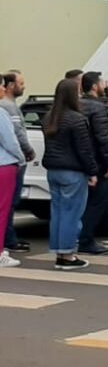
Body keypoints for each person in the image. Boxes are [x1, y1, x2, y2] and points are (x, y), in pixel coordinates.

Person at [40, 78, 97, 271]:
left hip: (53, 170)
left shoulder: (48, 116)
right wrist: (92, 171)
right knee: (72, 214)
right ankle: (68, 254)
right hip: (73, 172)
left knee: (57, 213)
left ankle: (58, 251)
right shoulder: (77, 119)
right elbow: (84, 150)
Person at [75, 71, 108, 257]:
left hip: (77, 160)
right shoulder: (97, 108)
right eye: (101, 82)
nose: (105, 85)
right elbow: (102, 137)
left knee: (78, 203)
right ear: (94, 86)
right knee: (98, 202)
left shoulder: (76, 105)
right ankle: (86, 239)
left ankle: (74, 237)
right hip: (97, 162)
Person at [1, 72, 35, 255]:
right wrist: (26, 152)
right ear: (10, 85)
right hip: (10, 162)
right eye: (21, 83)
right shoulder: (8, 108)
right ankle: (8, 239)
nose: (24, 87)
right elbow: (16, 136)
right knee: (9, 202)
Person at [0, 96, 23, 267]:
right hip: (4, 164)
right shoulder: (2, 113)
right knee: (2, 210)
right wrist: (21, 158)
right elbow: (11, 141)